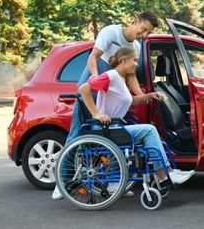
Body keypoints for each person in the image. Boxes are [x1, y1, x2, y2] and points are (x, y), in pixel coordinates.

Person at [52, 11, 160, 200]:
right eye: (143, 30)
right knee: (76, 135)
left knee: (112, 136)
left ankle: (114, 184)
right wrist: (94, 77)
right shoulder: (111, 33)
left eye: (148, 33)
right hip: (90, 91)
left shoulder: (134, 46)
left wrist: (143, 96)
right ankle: (60, 183)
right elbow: (93, 58)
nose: (144, 36)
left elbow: (131, 76)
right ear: (135, 22)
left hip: (106, 95)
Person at [79, 45, 194, 187]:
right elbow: (84, 88)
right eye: (134, 60)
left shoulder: (120, 79)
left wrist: (150, 96)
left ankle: (163, 173)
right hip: (105, 128)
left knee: (149, 131)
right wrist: (97, 113)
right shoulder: (111, 75)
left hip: (114, 128)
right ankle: (165, 174)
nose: (136, 64)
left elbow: (130, 101)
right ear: (124, 60)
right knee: (149, 130)